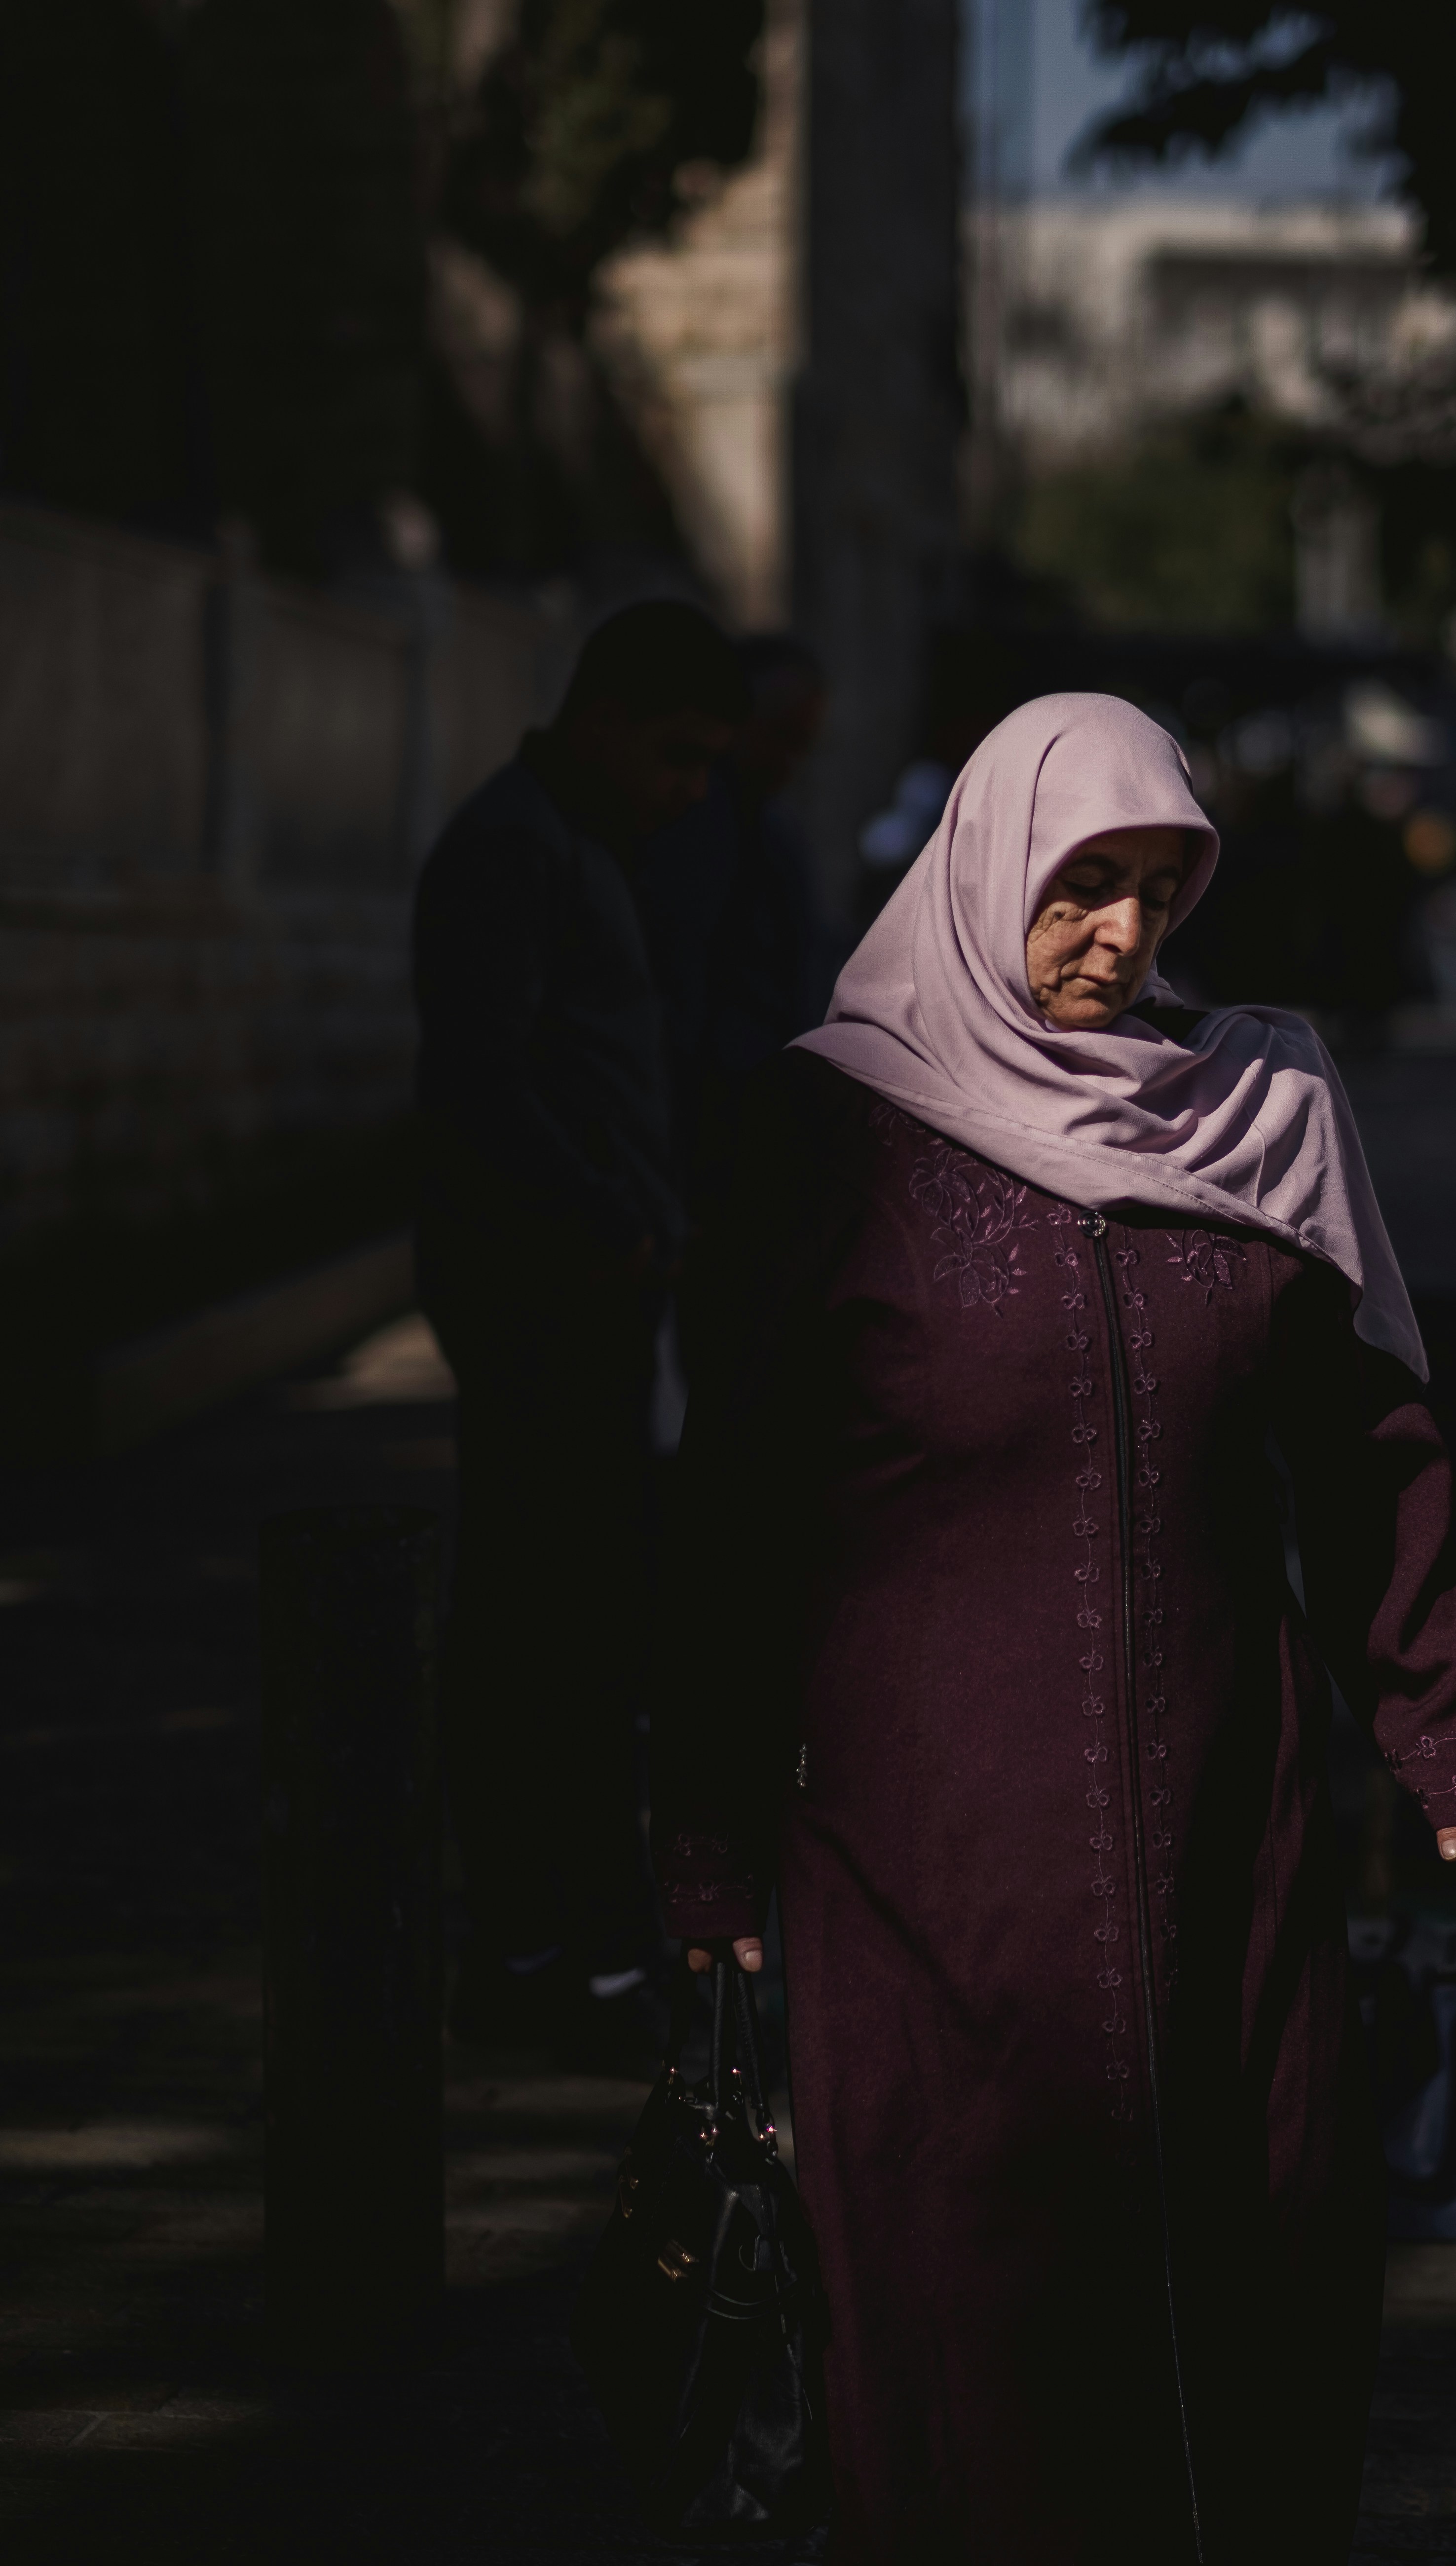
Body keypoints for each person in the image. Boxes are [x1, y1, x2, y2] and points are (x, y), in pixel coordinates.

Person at [656, 693, 1456, 2562]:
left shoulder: (1262, 1109)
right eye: (1081, 883)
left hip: (1226, 1803)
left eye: (1157, 888)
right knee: (959, 2260)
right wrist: (708, 1830)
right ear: (987, 869)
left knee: (1251, 2221)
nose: (1122, 934)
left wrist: (1441, 1707)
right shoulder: (835, 1125)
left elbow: (1366, 1441)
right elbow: (734, 1504)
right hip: (923, 1846)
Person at [413, 597, 747, 2066]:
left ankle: (573, 1948)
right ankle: (537, 1956)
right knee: (541, 1632)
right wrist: (611, 1215)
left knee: (591, 1627)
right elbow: (481, 1084)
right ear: (602, 719)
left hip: (596, 1297)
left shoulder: (580, 840)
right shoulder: (512, 846)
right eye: (677, 753)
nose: (691, 787)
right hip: (542, 1300)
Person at [635, 633, 829, 1222]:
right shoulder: (685, 824)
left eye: (802, 745)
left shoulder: (774, 834)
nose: (788, 762)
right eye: (778, 736)